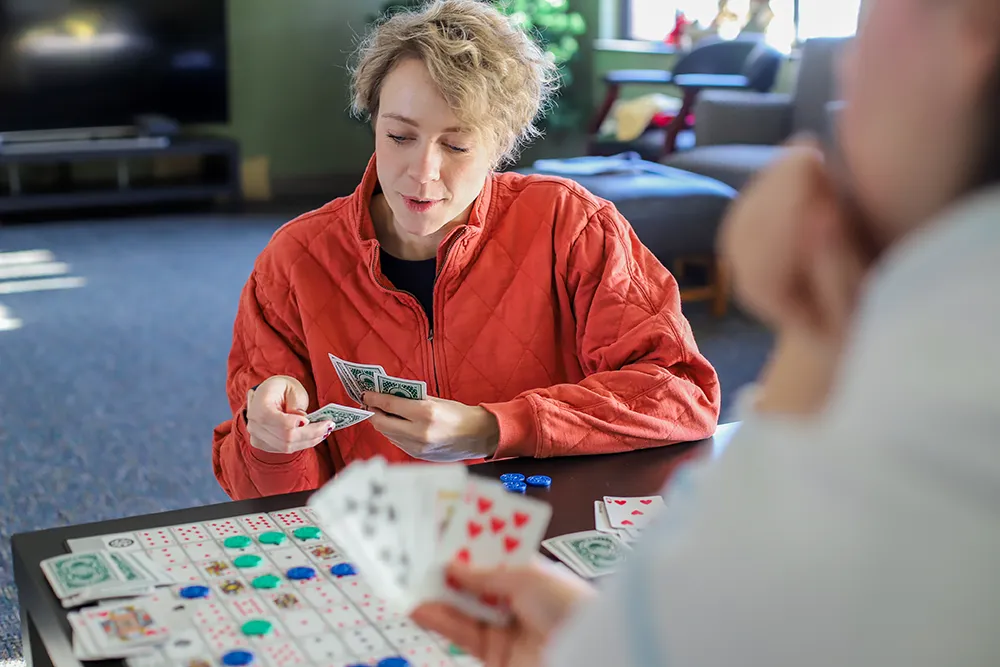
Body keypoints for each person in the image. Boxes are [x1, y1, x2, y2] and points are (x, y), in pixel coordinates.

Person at [412, 0, 1000, 664]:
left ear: (977, 29)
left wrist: (807, 338)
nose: (849, 54)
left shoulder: (935, 423)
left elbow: (723, 592)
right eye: (400, 133)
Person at [212, 0, 721, 501]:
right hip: (377, 555)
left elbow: (682, 394)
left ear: (501, 145)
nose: (422, 171)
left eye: (455, 146)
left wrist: (493, 428)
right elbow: (266, 502)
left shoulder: (571, 226)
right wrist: (268, 443)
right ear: (374, 122)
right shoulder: (296, 260)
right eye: (398, 136)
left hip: (541, 539)